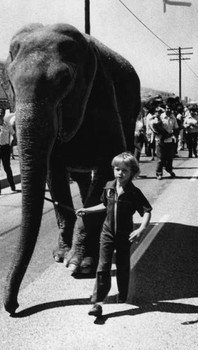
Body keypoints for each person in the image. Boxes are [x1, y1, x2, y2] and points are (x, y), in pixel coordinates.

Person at [75, 152, 152, 317]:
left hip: (125, 235)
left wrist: (141, 229)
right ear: (114, 170)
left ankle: (123, 294)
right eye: (117, 169)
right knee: (103, 267)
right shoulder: (109, 187)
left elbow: (146, 211)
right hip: (107, 233)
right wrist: (86, 210)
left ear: (132, 172)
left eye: (125, 170)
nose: (120, 173)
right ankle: (97, 303)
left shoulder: (134, 192)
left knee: (123, 265)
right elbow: (104, 205)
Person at [0, 107, 17, 196]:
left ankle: (12, 186)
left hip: (5, 148)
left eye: (1, 113)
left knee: (7, 168)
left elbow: (14, 135)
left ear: (4, 114)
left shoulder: (8, 124)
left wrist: (11, 146)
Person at [151, 106, 179, 179]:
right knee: (160, 158)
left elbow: (176, 128)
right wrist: (160, 134)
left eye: (170, 108)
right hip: (160, 140)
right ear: (165, 109)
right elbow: (153, 126)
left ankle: (169, 169)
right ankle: (159, 173)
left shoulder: (173, 117)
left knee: (169, 157)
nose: (168, 110)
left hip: (169, 139)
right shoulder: (160, 116)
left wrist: (174, 135)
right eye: (167, 108)